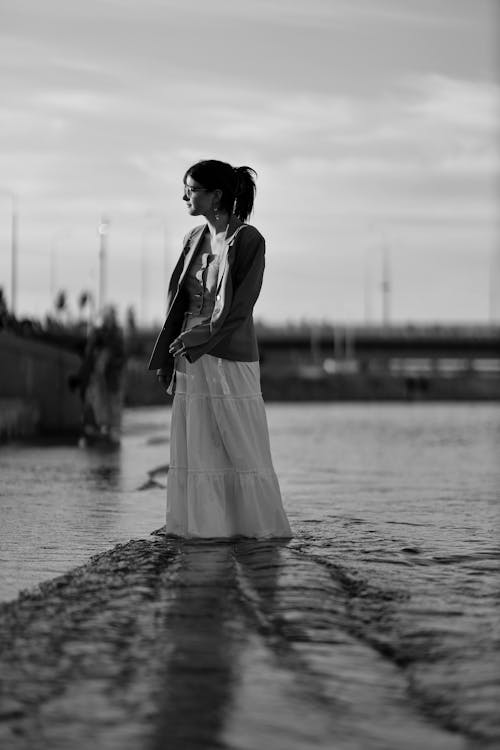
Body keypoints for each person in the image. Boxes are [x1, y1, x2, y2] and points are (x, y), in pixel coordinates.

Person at [149, 159, 292, 539]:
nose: (185, 196)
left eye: (192, 189)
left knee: (241, 444)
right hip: (188, 354)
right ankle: (201, 528)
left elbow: (240, 308)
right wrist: (170, 352)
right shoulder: (192, 238)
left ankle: (257, 531)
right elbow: (177, 302)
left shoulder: (249, 240)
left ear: (216, 196)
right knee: (197, 445)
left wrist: (197, 339)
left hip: (229, 354)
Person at [70, 305, 126, 445]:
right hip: (99, 380)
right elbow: (89, 356)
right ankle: (98, 428)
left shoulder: (115, 337)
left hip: (110, 380)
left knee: (109, 404)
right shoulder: (99, 336)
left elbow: (120, 357)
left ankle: (108, 429)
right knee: (96, 402)